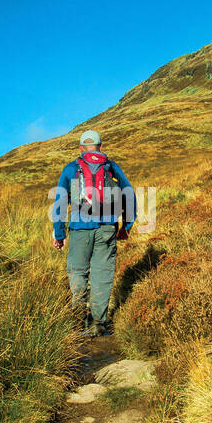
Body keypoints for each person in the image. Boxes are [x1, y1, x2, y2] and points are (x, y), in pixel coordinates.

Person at [50, 130, 134, 337]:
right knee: (101, 274)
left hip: (79, 228)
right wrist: (127, 225)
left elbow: (60, 202)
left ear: (81, 148)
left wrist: (59, 233)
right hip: (107, 228)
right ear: (100, 147)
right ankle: (98, 325)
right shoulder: (111, 167)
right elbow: (129, 194)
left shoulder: (71, 169)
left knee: (78, 272)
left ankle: (78, 320)